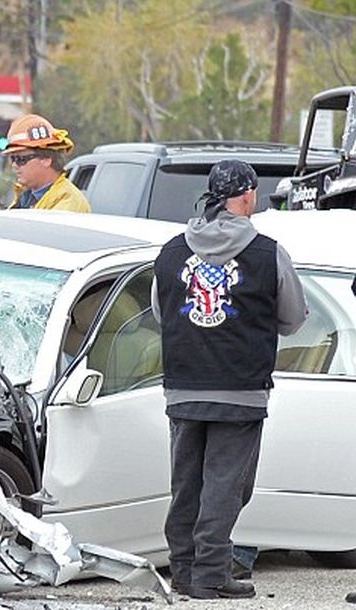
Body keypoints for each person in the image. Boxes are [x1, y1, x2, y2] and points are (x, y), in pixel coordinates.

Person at [150, 160, 308, 600]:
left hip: (182, 386)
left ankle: (183, 569)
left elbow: (163, 314)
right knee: (226, 483)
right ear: (247, 196)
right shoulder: (267, 252)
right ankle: (212, 573)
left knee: (187, 481)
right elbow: (293, 319)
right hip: (240, 389)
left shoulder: (171, 251)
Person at [1, 114, 90, 213]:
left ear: (46, 159)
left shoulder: (69, 203)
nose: (14, 165)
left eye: (21, 159)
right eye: (13, 158)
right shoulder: (27, 196)